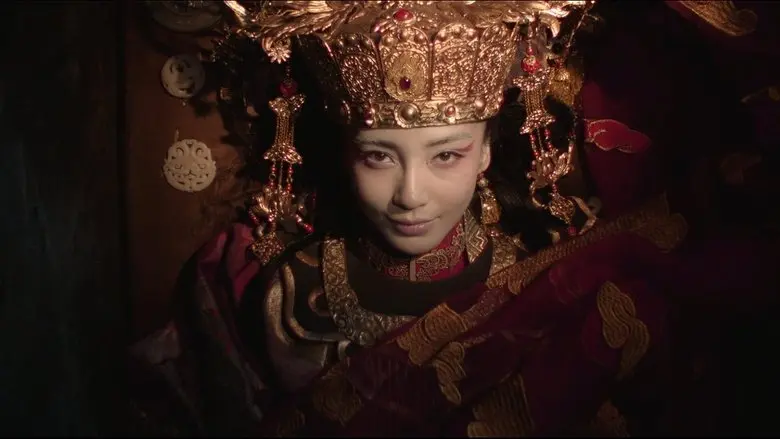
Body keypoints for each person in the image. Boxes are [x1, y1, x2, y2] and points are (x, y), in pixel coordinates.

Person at [128, 1, 777, 436]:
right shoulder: (282, 303)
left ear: (487, 150)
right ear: (343, 154)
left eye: (448, 155)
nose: (411, 195)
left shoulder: (548, 282)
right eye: (378, 156)